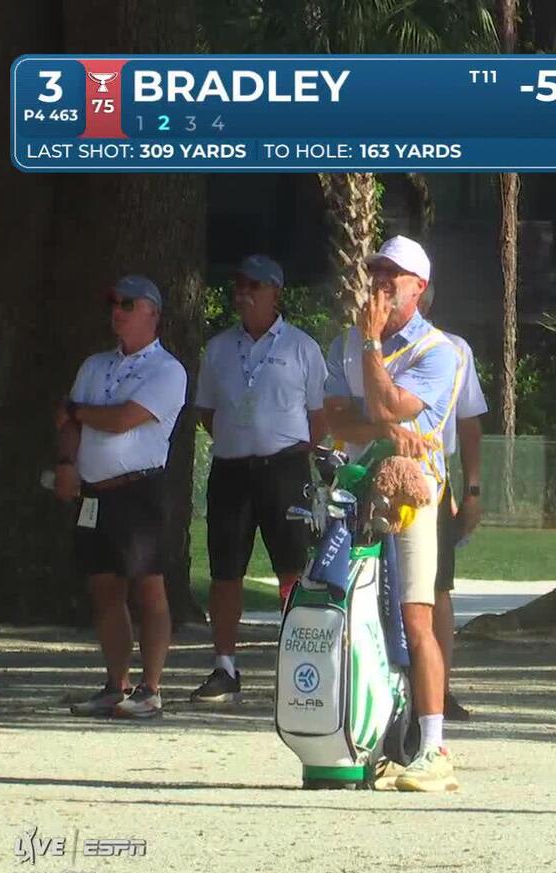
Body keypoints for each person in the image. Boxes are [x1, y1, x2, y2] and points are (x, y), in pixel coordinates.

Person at [324, 235, 463, 792]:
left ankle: (435, 748)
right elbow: (336, 421)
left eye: (395, 274)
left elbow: (382, 403)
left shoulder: (439, 351)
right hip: (360, 489)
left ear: (419, 288)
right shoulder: (349, 341)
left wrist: (373, 350)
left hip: (414, 499)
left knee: (416, 619)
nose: (382, 280)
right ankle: (379, 742)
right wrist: (382, 425)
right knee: (363, 618)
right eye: (377, 269)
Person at [190, 255, 329, 703]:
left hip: (285, 469)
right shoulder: (217, 349)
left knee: (292, 568)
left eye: (253, 285)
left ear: (275, 292)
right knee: (225, 571)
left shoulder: (302, 347)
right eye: (238, 284)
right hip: (231, 470)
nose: (242, 293)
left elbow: (318, 417)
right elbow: (207, 412)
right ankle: (224, 668)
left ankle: (295, 665)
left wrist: (282, 450)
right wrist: (241, 441)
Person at [57, 275, 188, 720]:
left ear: (152, 312)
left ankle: (151, 690)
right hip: (95, 494)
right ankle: (117, 684)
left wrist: (77, 411)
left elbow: (123, 419)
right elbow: (69, 423)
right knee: (104, 588)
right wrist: (66, 464)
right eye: (114, 303)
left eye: (128, 304)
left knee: (148, 588)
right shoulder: (94, 365)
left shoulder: (168, 370)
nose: (117, 311)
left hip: (139, 491)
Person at [417, 289, 488, 722]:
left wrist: (473, 490)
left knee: (438, 586)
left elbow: (468, 424)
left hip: (432, 478)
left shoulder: (453, 349)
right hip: (373, 473)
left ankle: (439, 689)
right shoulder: (356, 344)